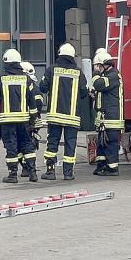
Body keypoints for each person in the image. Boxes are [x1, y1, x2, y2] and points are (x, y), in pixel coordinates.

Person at [40, 43, 89, 181]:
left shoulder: (52, 70)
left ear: (60, 54)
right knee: (70, 143)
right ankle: (68, 173)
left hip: (55, 115)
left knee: (52, 142)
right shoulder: (78, 72)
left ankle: (50, 171)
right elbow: (84, 93)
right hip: (72, 116)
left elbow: (43, 87)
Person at [0, 49, 38, 183]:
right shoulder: (27, 79)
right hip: (23, 120)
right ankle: (33, 173)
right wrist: (33, 119)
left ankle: (12, 175)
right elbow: (32, 101)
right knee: (27, 145)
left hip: (7, 120)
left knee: (11, 146)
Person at [91, 49, 123, 176]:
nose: (98, 68)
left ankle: (112, 168)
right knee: (102, 142)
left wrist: (95, 74)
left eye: (98, 66)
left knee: (111, 142)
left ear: (104, 65)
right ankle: (102, 165)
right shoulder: (107, 76)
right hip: (104, 117)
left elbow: (99, 84)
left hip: (112, 116)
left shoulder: (114, 75)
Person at [18, 61, 45, 178]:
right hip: (33, 122)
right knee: (29, 145)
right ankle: (28, 167)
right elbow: (39, 104)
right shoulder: (36, 88)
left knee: (20, 145)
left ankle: (25, 167)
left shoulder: (24, 87)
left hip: (27, 121)